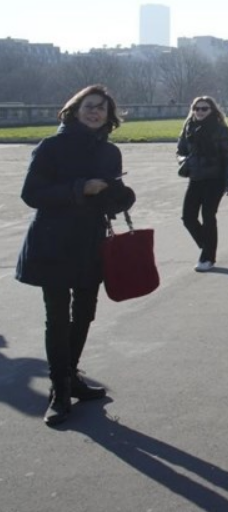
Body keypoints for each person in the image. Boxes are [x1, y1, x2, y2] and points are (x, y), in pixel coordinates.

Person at [18, 84, 136, 426]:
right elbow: (31, 193)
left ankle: (71, 376)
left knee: (84, 313)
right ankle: (58, 389)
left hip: (90, 241)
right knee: (56, 319)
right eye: (89, 106)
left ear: (108, 116)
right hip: (53, 241)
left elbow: (108, 201)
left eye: (101, 107)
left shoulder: (110, 153)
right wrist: (79, 188)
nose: (95, 111)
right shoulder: (51, 147)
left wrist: (121, 196)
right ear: (74, 109)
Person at [176, 96, 228, 271]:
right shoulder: (188, 127)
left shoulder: (220, 130)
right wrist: (184, 161)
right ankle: (208, 246)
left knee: (208, 215)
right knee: (188, 217)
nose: (200, 112)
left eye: (204, 109)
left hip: (215, 179)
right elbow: (180, 150)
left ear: (212, 110)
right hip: (195, 178)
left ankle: (207, 257)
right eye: (197, 108)